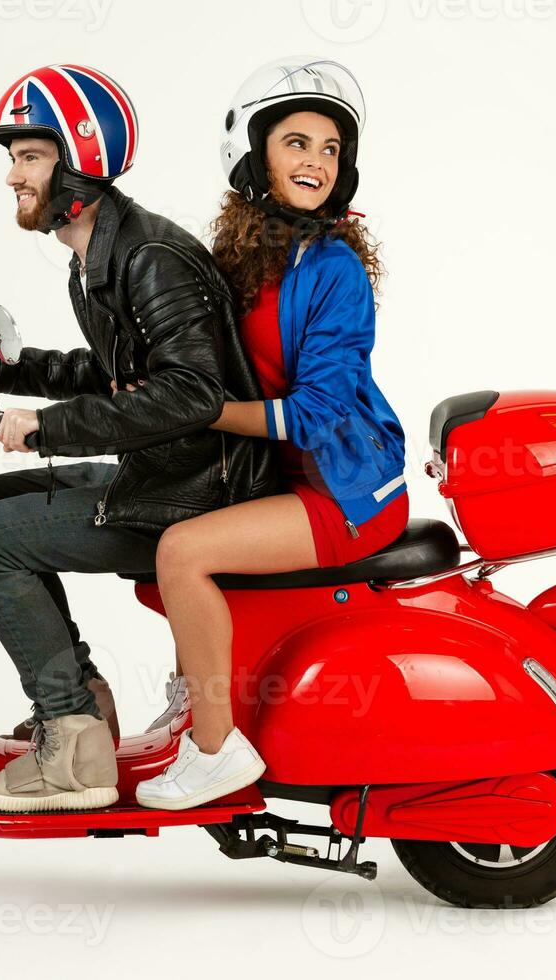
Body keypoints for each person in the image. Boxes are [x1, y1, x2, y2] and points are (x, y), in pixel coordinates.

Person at [0, 64, 275, 813]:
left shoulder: (148, 258)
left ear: (80, 160)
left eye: (29, 156)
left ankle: (72, 747)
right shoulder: (98, 254)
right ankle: (84, 701)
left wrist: (46, 429)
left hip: (196, 498)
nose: (12, 176)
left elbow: (193, 393)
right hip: (168, 474)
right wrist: (12, 369)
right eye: (15, 158)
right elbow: (117, 375)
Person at [135, 58, 409, 811]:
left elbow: (318, 411)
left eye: (329, 149)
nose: (317, 161)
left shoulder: (334, 271)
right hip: (279, 475)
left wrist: (202, 412)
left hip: (343, 488)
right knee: (153, 517)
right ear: (254, 156)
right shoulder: (242, 257)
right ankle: (203, 696)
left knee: (181, 553)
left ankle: (216, 753)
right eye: (297, 143)